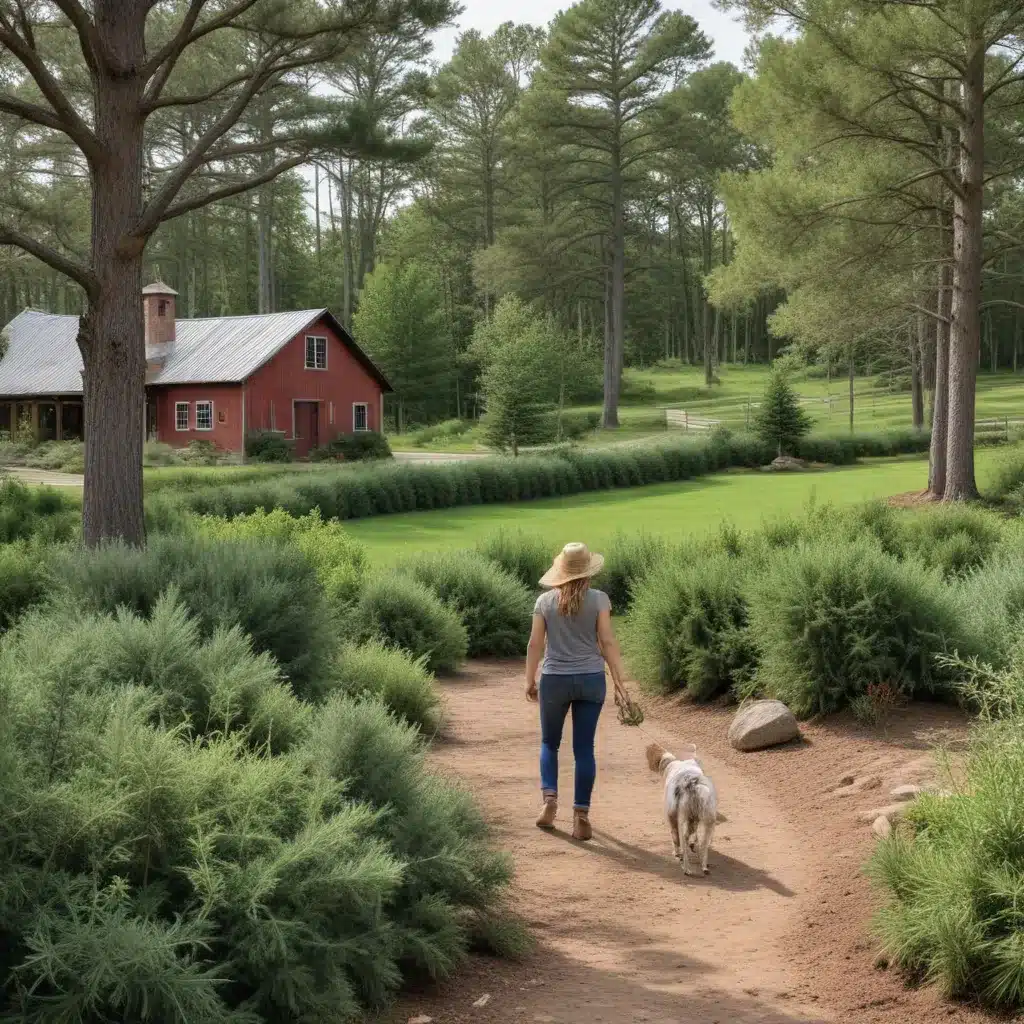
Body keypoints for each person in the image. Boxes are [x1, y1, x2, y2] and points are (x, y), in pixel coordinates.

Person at [526, 541, 630, 841]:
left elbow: (535, 644)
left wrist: (529, 680)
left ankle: (549, 801)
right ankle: (581, 816)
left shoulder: (544, 602)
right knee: (584, 749)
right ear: (588, 571)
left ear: (560, 571)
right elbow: (608, 643)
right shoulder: (599, 600)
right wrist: (621, 684)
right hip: (590, 679)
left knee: (550, 743)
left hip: (554, 679)